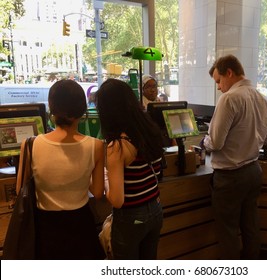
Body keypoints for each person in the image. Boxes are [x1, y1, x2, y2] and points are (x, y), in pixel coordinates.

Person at [16, 79, 105, 260]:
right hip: (81, 227)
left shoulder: (30, 144)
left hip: (45, 229)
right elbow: (97, 192)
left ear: (52, 107)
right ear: (82, 109)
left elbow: (20, 191)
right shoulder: (95, 146)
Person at [201, 54, 267, 259]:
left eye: (218, 81)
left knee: (228, 232)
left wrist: (203, 141)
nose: (218, 87)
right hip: (253, 171)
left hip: (230, 178)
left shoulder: (229, 98)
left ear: (229, 73)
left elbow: (215, 142)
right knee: (250, 226)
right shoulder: (264, 99)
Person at [95, 78, 164, 260]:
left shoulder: (117, 145)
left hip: (131, 218)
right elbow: (156, 173)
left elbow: (117, 200)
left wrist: (106, 179)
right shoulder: (149, 131)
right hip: (155, 210)